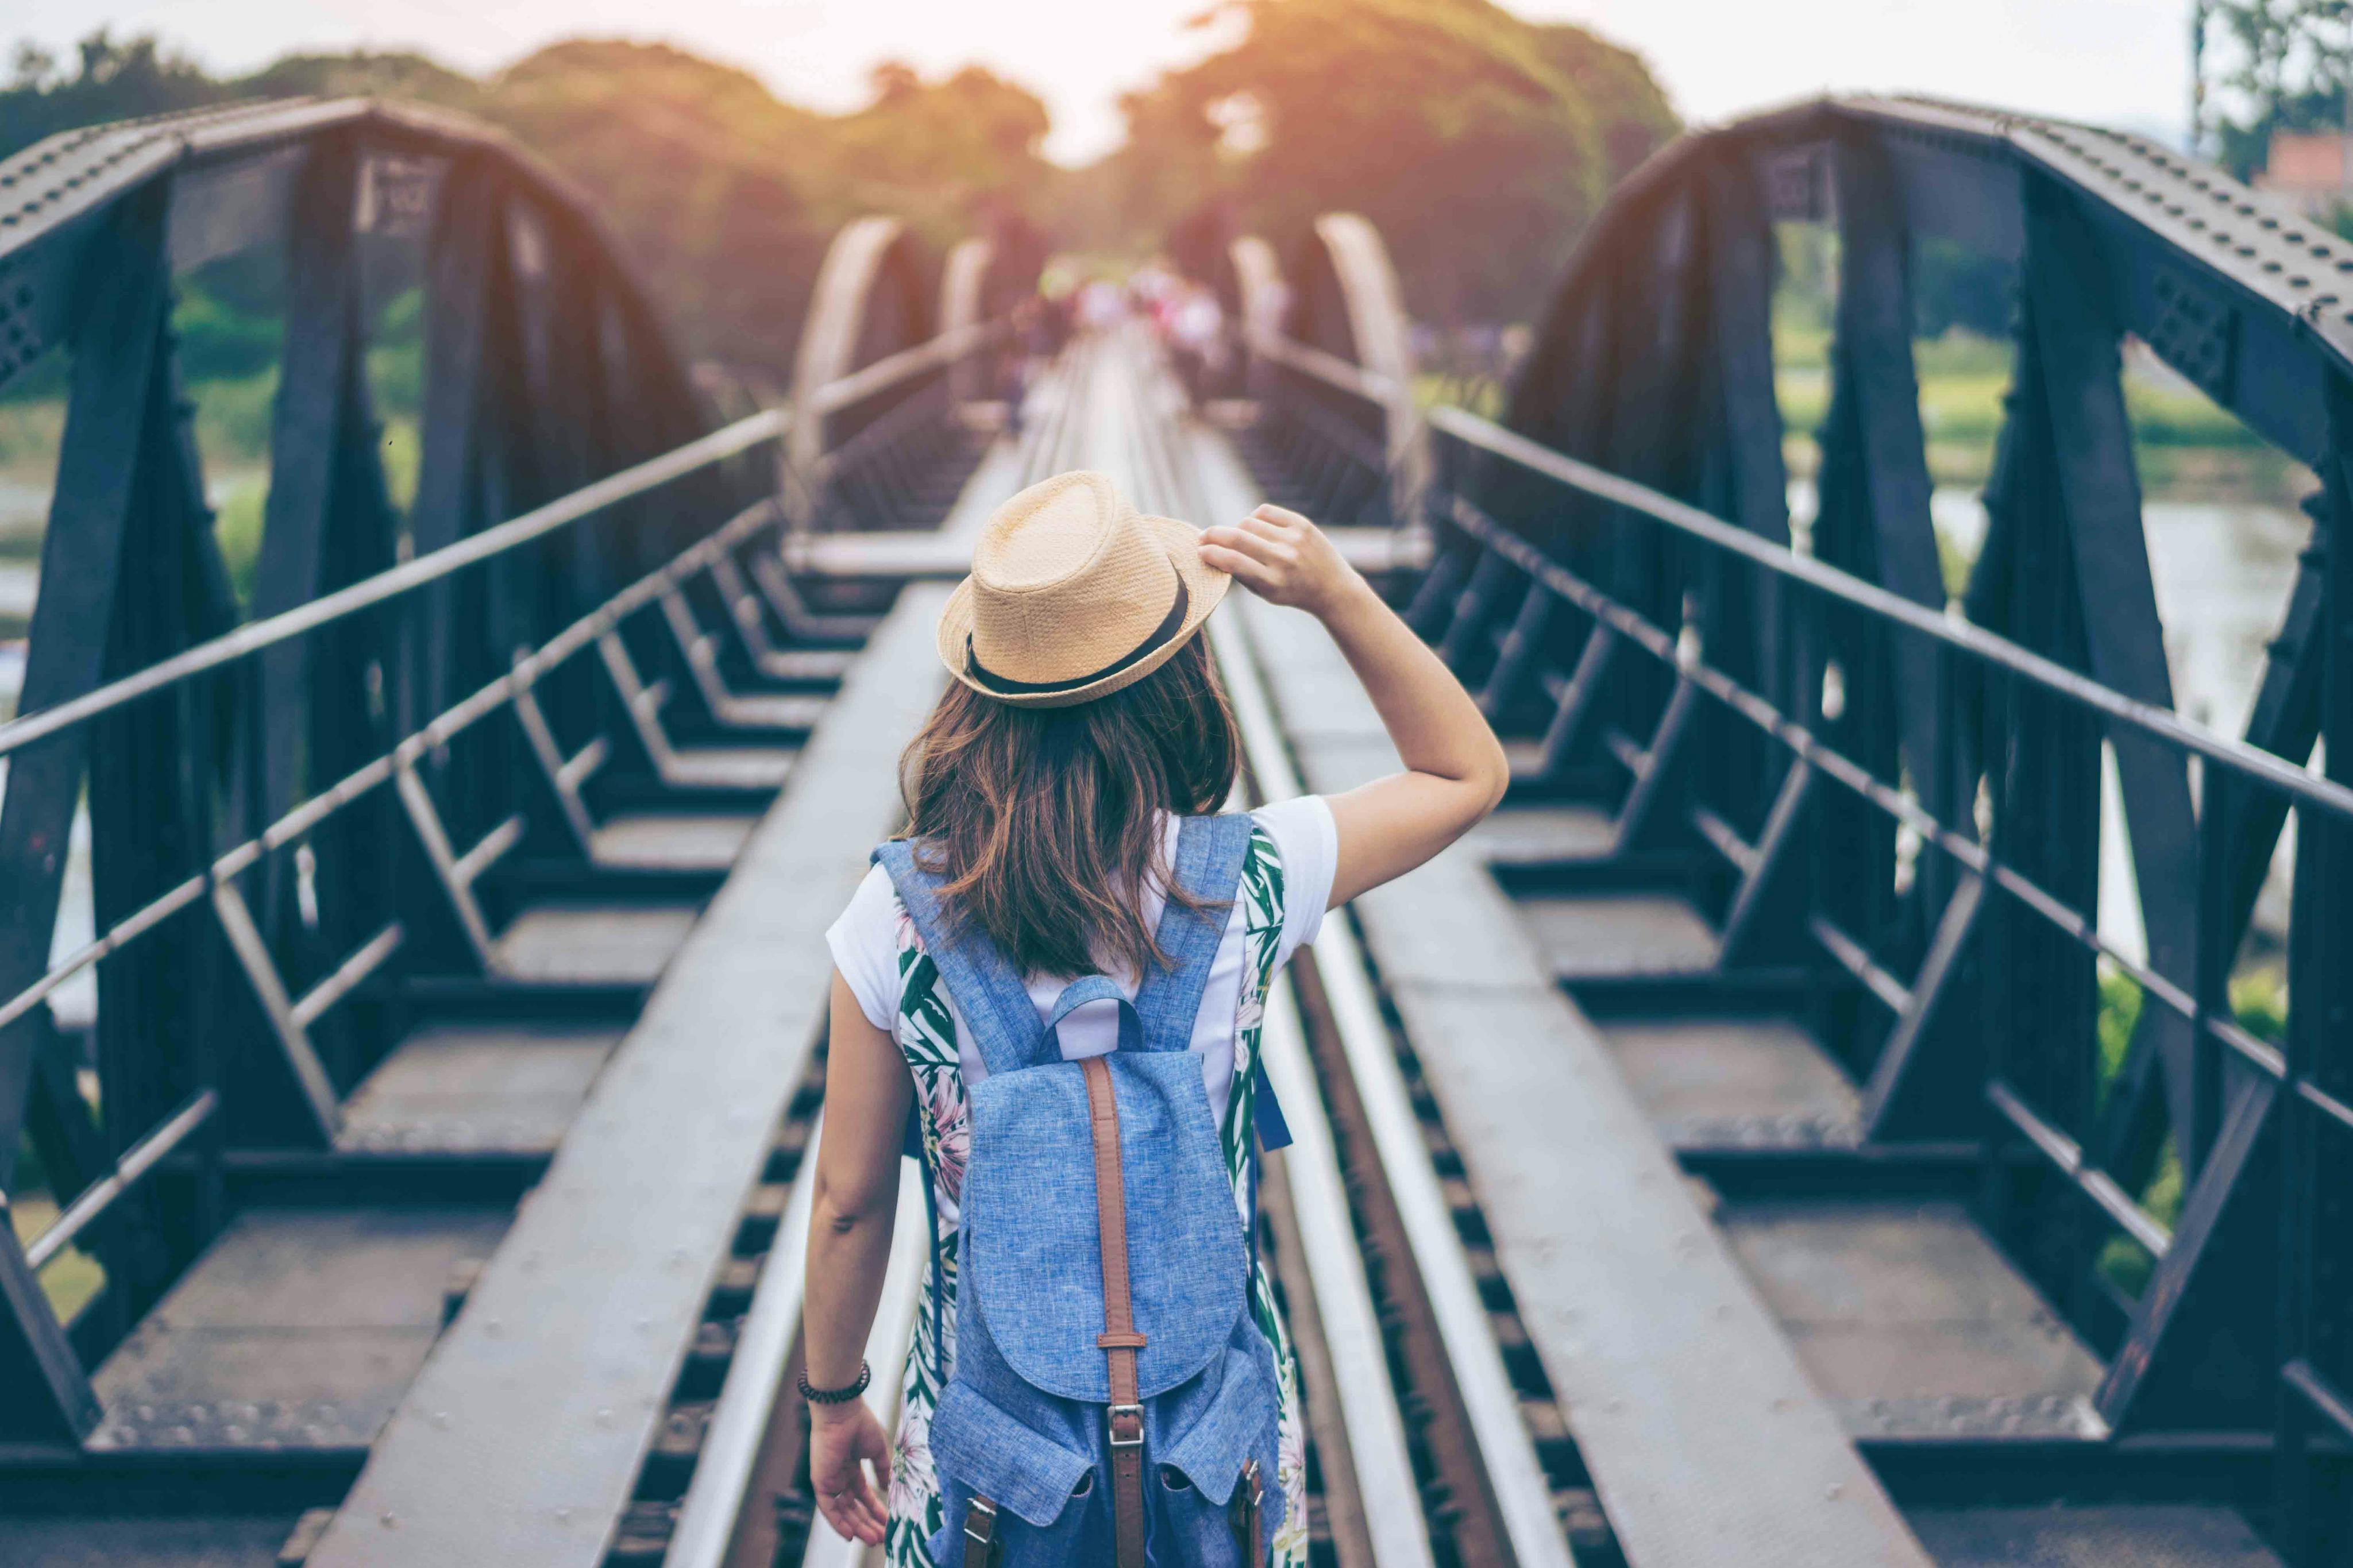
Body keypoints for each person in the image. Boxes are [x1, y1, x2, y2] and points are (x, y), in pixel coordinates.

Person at [805, 470, 1509, 1565]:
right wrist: (1337, 595)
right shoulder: (1253, 879)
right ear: (1178, 682)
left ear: (978, 695)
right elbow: (1466, 769)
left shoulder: (892, 915)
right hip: (1211, 1444)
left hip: (987, 1453)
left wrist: (833, 1397)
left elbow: (850, 1204)